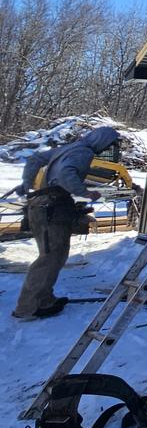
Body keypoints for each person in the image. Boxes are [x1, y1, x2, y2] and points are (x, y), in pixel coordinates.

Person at [10, 126, 118, 322]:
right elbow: (66, 174)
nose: (107, 148)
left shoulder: (69, 148)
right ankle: (27, 307)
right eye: (108, 144)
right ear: (101, 141)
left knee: (55, 256)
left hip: (42, 205)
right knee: (49, 258)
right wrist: (85, 192)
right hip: (52, 206)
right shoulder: (84, 152)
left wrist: (27, 183)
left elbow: (35, 159)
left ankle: (44, 299)